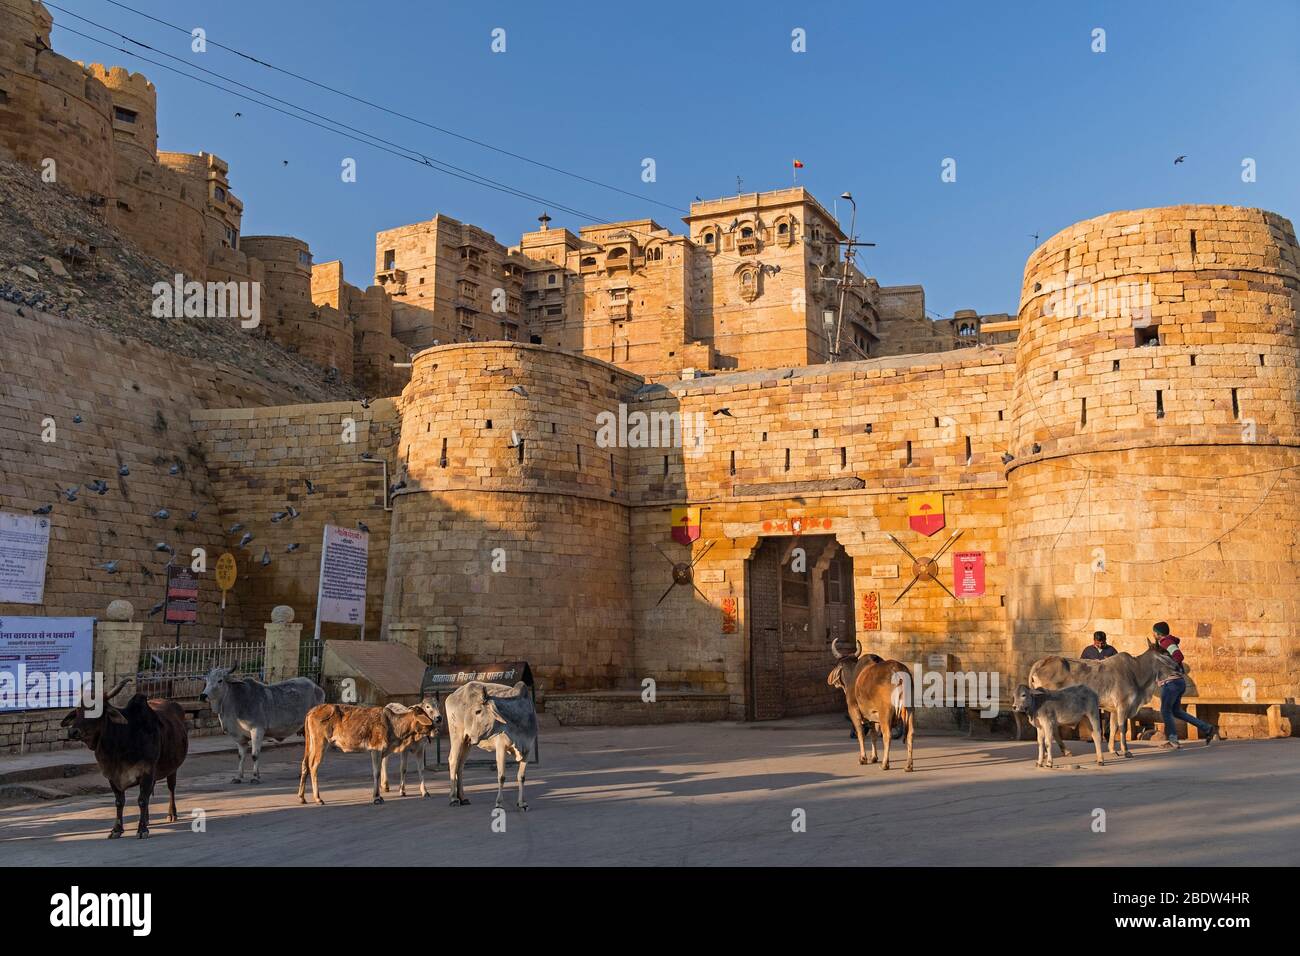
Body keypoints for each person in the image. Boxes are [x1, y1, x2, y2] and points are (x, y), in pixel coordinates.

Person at [1153, 621, 1217, 748]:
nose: (1153, 634)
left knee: (1165, 710)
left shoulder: (1166, 642)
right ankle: (1207, 728)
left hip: (1172, 683)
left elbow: (1178, 656)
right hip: (1176, 683)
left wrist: (1167, 667)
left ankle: (1173, 740)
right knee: (1176, 711)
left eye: (1154, 632)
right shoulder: (1164, 643)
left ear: (1158, 633)